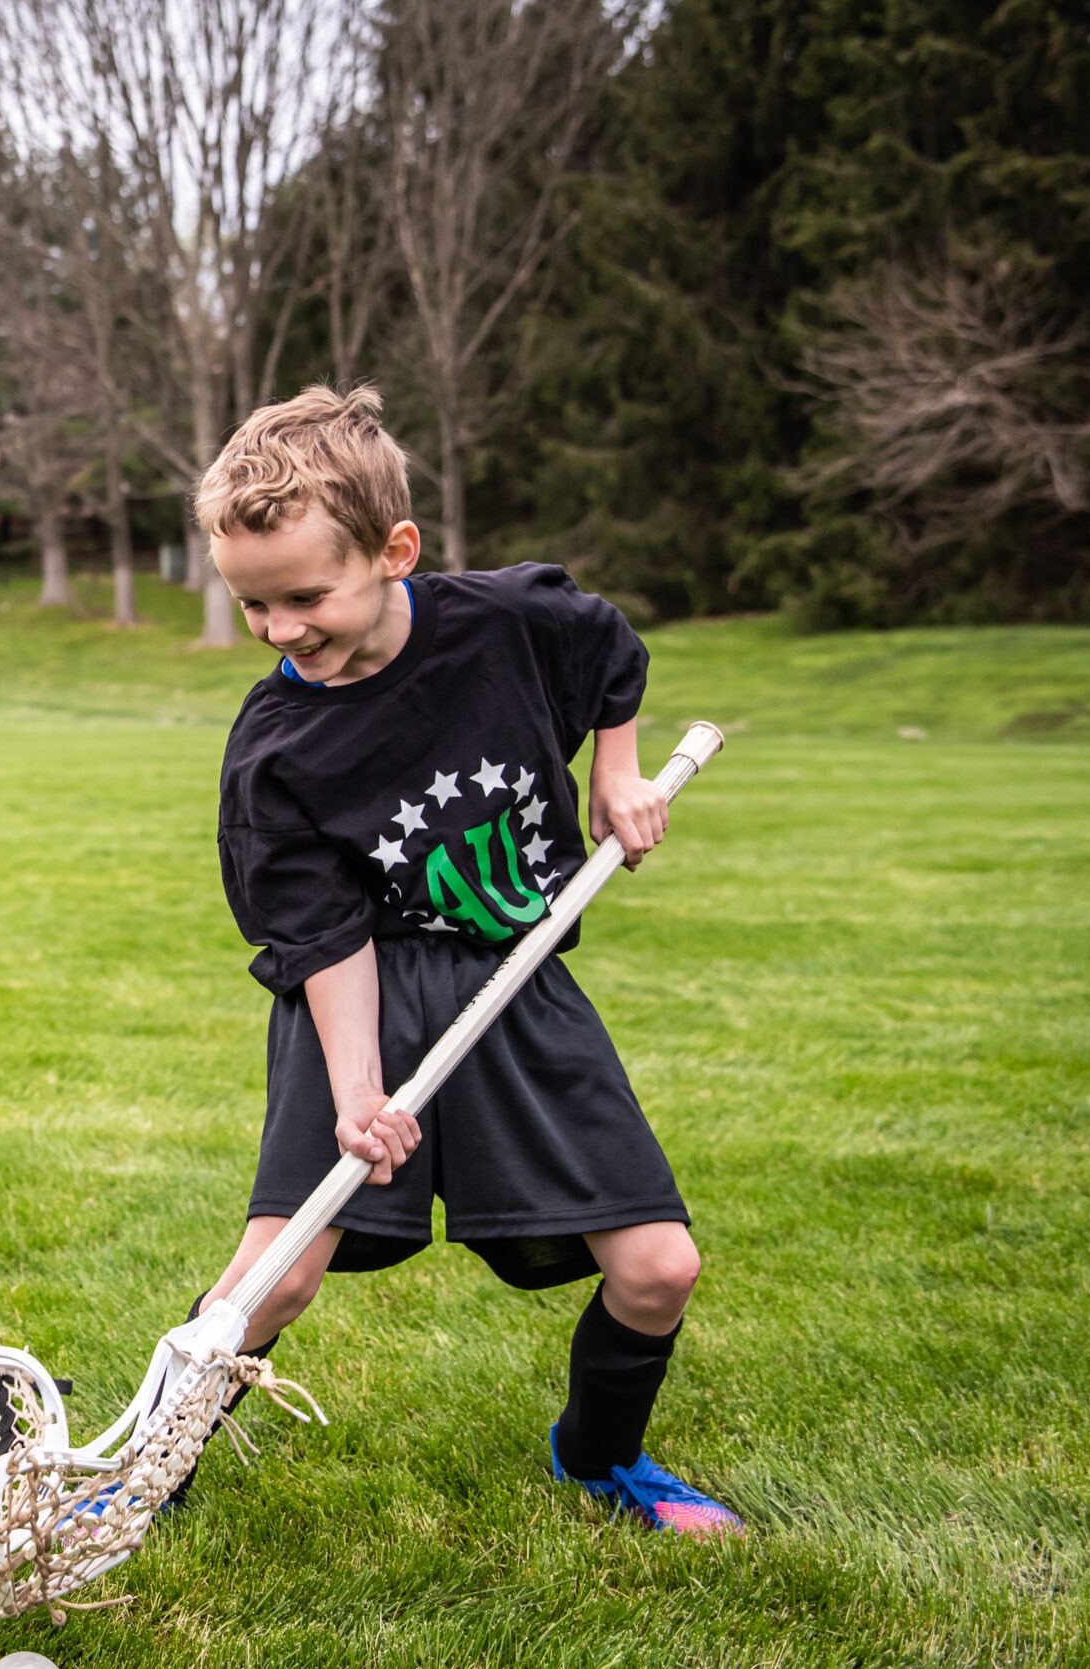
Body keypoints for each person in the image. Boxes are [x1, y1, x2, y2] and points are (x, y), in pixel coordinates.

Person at [181, 384, 742, 1535]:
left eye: (304, 596)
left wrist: (616, 774)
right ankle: (144, 1466)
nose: (283, 630)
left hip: (513, 978)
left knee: (657, 1267)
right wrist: (356, 1092)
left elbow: (607, 648)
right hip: (365, 986)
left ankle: (600, 1458)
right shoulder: (277, 746)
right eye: (252, 606)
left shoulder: (510, 620)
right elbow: (318, 931)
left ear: (395, 551)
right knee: (275, 1275)